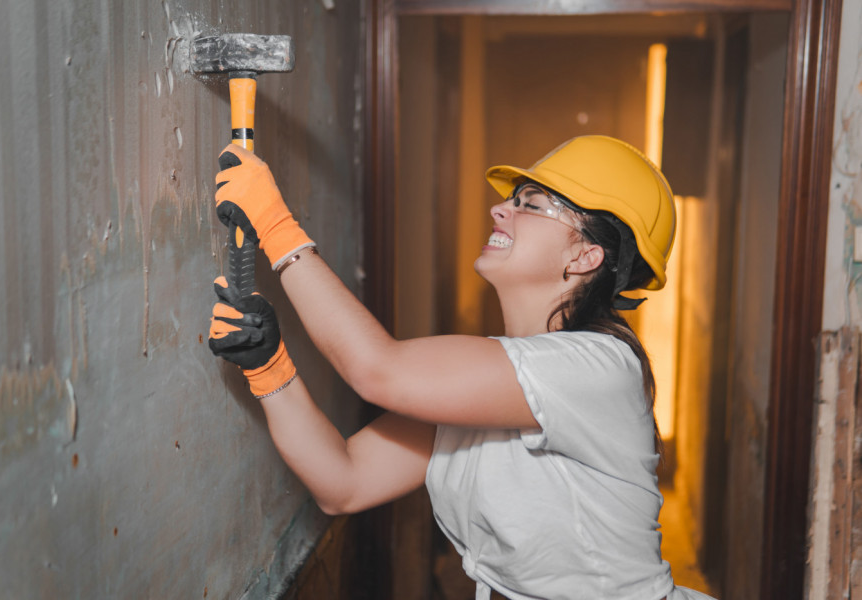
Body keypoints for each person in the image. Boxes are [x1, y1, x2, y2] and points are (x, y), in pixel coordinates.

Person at [207, 135, 716, 600]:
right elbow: (344, 483)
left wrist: (276, 227)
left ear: (585, 256)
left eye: (530, 205)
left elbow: (378, 371)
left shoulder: (600, 367)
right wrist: (269, 368)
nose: (499, 210)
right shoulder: (483, 386)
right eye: (512, 200)